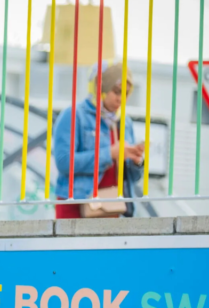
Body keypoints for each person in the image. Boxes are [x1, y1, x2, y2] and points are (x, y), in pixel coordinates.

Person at [53, 63, 144, 219]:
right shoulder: (74, 115)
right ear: (101, 88)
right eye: (116, 91)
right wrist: (109, 154)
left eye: (126, 93)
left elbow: (131, 179)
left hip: (112, 208)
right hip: (76, 208)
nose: (121, 98)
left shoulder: (125, 122)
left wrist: (136, 162)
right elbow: (63, 162)